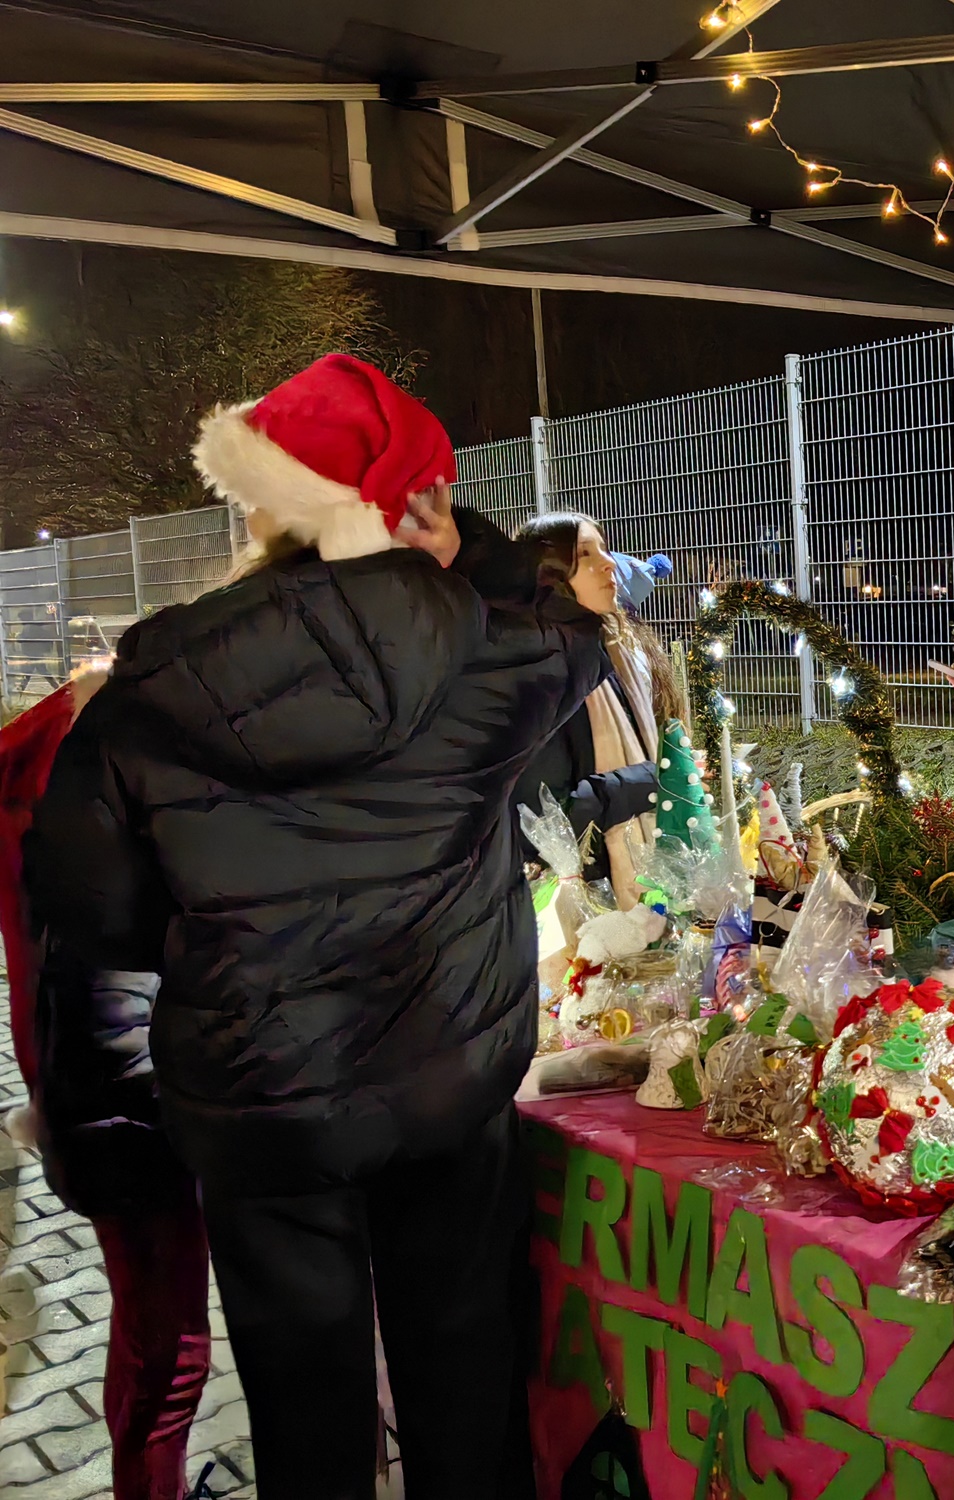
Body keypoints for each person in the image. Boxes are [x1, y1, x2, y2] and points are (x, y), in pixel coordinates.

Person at [23, 354, 608, 1500]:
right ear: (414, 507)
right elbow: (575, 627)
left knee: (304, 1411)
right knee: (466, 1376)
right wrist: (469, 549)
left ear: (265, 505)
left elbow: (89, 904)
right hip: (447, 1079)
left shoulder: (156, 681)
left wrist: (217, 935)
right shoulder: (492, 651)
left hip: (260, 1099)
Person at [0, 678, 212, 1500]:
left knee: (151, 1341)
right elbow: (114, 1012)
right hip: (126, 1114)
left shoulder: (40, 786)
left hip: (88, 1100)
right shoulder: (98, 834)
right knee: (170, 1354)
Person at [514, 515, 682, 907]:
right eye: (585, 555)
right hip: (587, 901)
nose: (609, 563)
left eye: (604, 549)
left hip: (647, 880)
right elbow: (540, 818)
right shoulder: (536, 675)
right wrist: (652, 779)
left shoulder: (622, 653)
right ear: (547, 577)